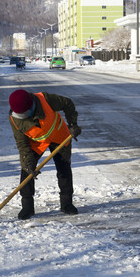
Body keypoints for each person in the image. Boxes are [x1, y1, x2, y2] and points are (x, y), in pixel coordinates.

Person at [8, 89, 82, 220]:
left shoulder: (46, 100)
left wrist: (72, 124)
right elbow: (22, 144)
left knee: (64, 169)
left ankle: (67, 204)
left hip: (59, 135)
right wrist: (28, 163)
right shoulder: (15, 119)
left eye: (25, 114)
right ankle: (27, 206)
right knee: (26, 171)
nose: (23, 118)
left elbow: (67, 103)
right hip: (36, 143)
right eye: (20, 115)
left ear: (31, 106)